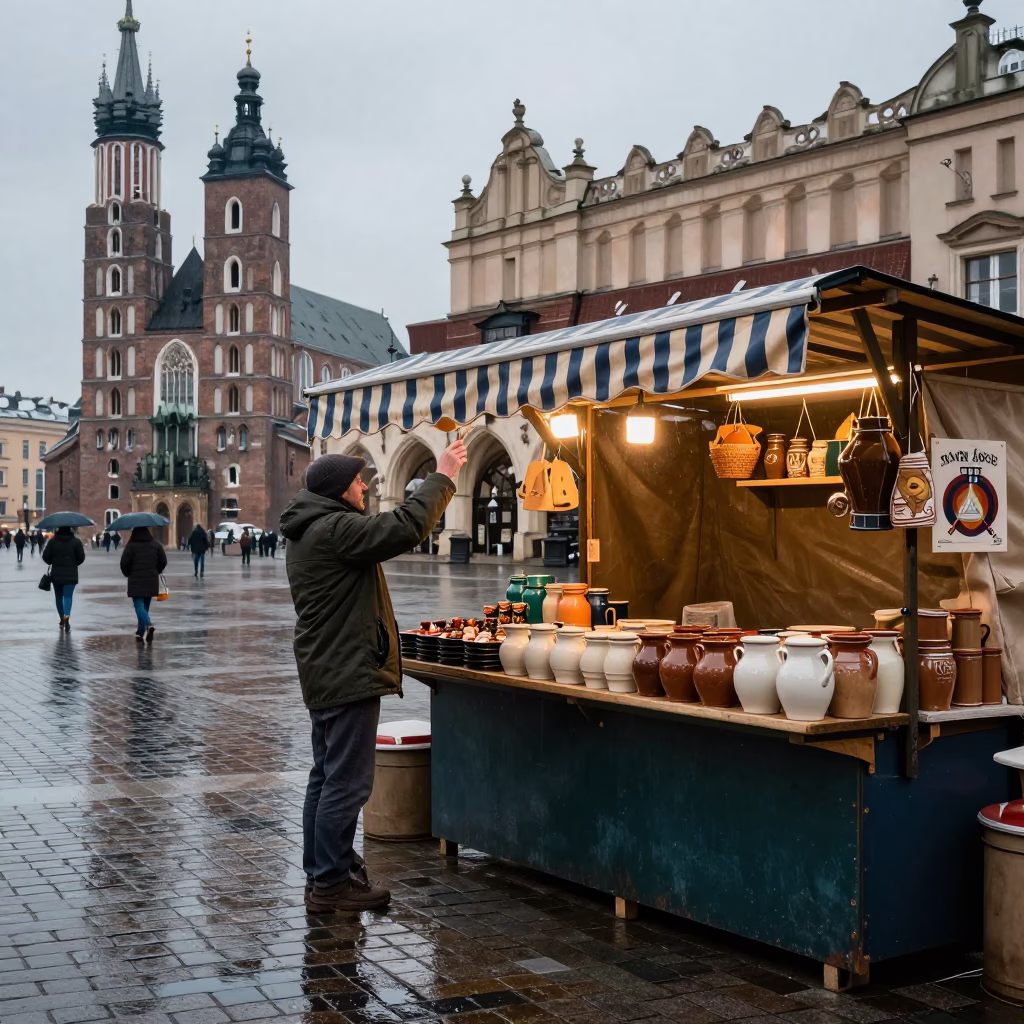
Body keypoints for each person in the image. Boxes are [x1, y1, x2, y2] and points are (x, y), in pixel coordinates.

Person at [280, 440, 466, 913]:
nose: (364, 487)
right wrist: (443, 475)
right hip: (347, 671)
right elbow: (404, 527)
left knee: (326, 777)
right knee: (346, 782)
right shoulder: (334, 528)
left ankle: (323, 874)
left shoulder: (311, 528)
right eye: (358, 481)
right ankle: (331, 884)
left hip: (327, 669)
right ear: (340, 491)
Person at [119, 527, 167, 643]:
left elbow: (124, 563)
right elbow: (163, 561)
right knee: (144, 607)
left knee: (139, 606)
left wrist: (127, 573)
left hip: (136, 581)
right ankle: (140, 631)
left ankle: (149, 625)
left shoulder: (131, 546)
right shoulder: (156, 545)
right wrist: (156, 570)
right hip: (151, 580)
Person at [42, 527, 86, 631]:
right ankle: (67, 616)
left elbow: (46, 557)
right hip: (71, 573)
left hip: (56, 573)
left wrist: (52, 560)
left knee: (58, 597)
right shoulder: (76, 542)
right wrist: (74, 563)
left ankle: (61, 618)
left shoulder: (52, 542)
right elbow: (81, 558)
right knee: (68, 596)